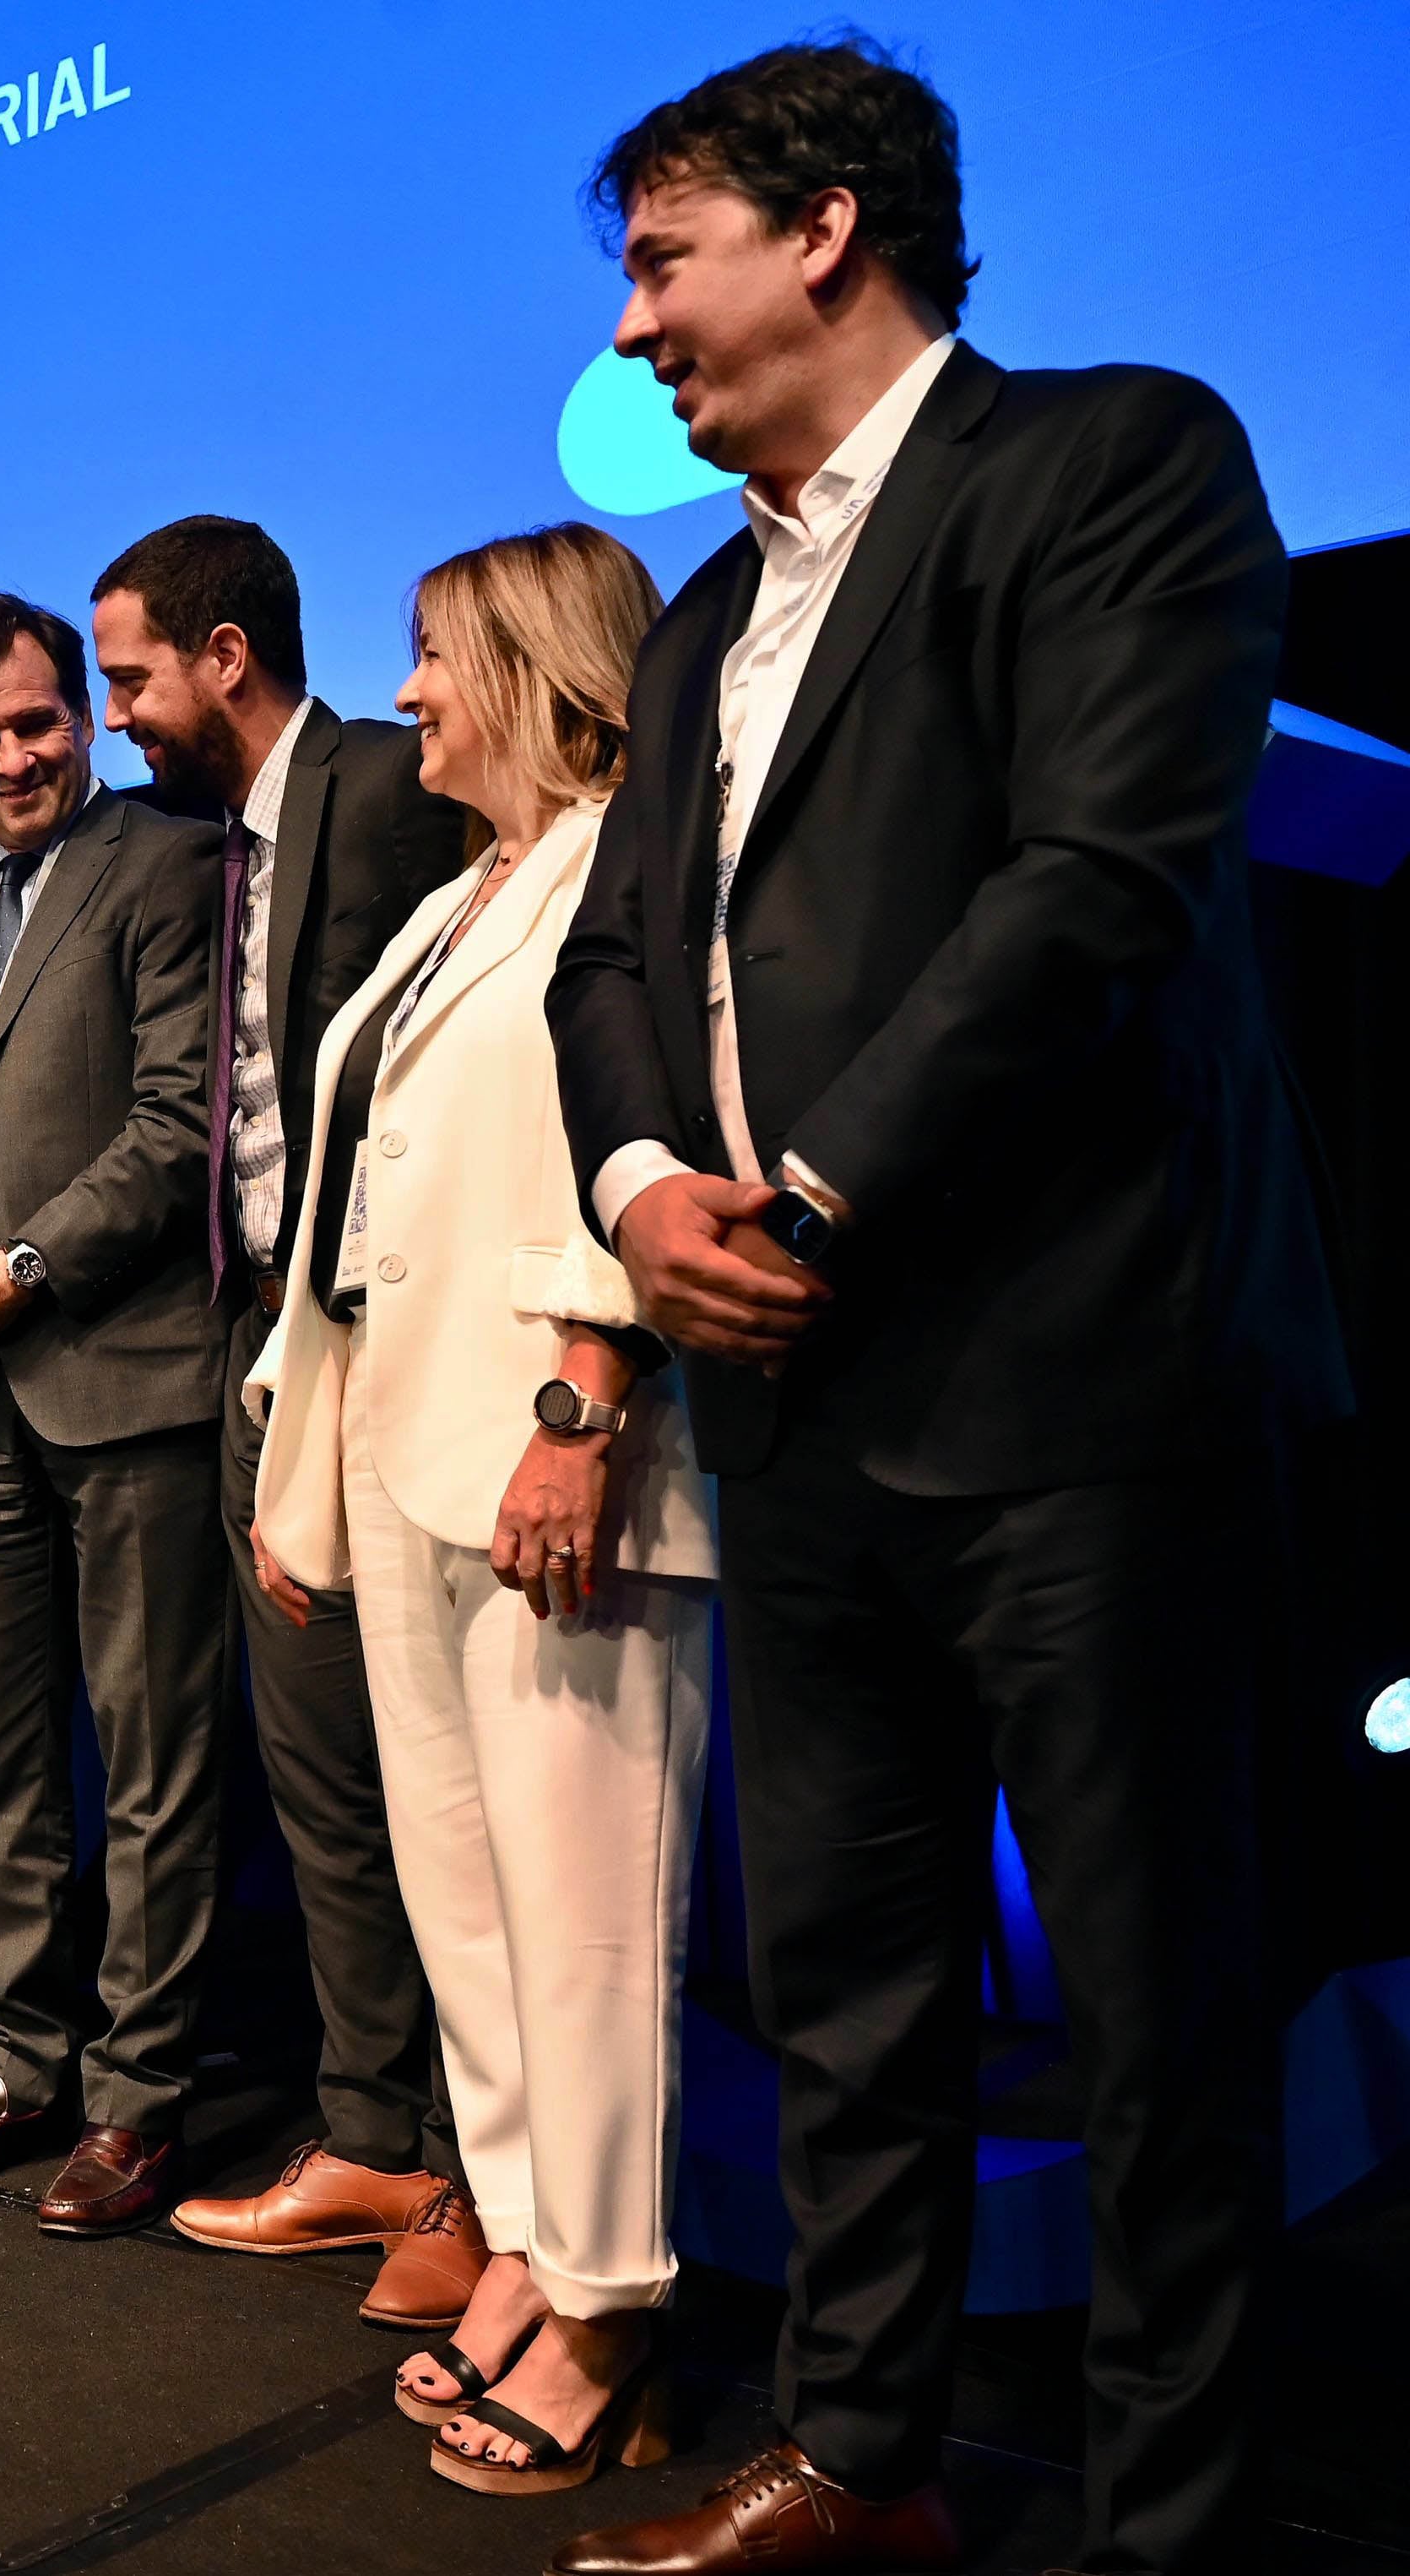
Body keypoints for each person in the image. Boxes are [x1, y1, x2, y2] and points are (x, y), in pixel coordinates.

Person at [544, 41, 1349, 2576]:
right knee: (853, 1993)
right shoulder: (692, 620)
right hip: (791, 1413)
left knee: (1151, 2011)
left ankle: (1177, 2527)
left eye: (666, 262)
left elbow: (1099, 884)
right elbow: (609, 961)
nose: (641, 329)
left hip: (1080, 1381)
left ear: (831, 226)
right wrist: (651, 1184)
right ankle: (863, 2464)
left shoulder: (1114, 458)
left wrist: (811, 1188)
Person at [247, 525, 713, 2501]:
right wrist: (302, 1447)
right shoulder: (460, 902)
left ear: (534, 665)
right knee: (466, 1907)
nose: (408, 694)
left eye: (433, 656)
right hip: (405, 1455)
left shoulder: (640, 871)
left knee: (586, 1920)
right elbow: (366, 1195)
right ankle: (526, 2241)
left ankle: (612, 2303)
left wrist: (582, 1398)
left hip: (561, 1462)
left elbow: (669, 1141)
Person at [88, 518, 480, 2324]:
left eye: (130, 679)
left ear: (225, 656)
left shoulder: (397, 787)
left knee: (440, 1792)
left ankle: (488, 2188)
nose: (115, 721)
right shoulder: (217, 853)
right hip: (267, 1356)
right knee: (320, 1777)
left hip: (413, 1353)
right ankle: (374, 2136)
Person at [0, 594, 231, 2236]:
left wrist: (19, 1263)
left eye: (36, 722)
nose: (14, 756)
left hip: (131, 1376)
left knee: (154, 1757)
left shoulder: (169, 864)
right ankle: (19, 2066)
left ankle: (141, 2097)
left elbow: (183, 1129)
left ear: (82, 711)